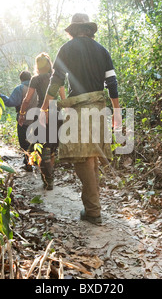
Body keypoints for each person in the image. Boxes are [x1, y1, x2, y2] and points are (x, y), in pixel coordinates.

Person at [39, 13, 122, 225]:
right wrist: (117, 113)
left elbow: (56, 81)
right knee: (91, 155)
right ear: (89, 29)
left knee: (82, 158)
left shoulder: (66, 49)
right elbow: (112, 83)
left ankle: (93, 211)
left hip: (78, 109)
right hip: (99, 108)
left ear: (73, 30)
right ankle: (91, 206)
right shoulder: (102, 50)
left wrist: (44, 107)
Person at [18, 53, 66, 190]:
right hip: (56, 114)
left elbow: (27, 100)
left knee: (41, 146)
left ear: (37, 66)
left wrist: (22, 114)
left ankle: (47, 178)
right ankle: (50, 178)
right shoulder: (57, 79)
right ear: (49, 64)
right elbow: (63, 98)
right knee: (51, 148)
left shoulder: (35, 79)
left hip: (41, 114)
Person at [0, 70, 35, 171]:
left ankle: (28, 163)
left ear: (21, 79)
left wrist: (1, 96)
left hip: (23, 119)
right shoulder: (36, 88)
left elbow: (10, 102)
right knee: (34, 140)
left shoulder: (20, 88)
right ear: (30, 78)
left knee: (23, 141)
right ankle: (34, 161)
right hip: (36, 118)